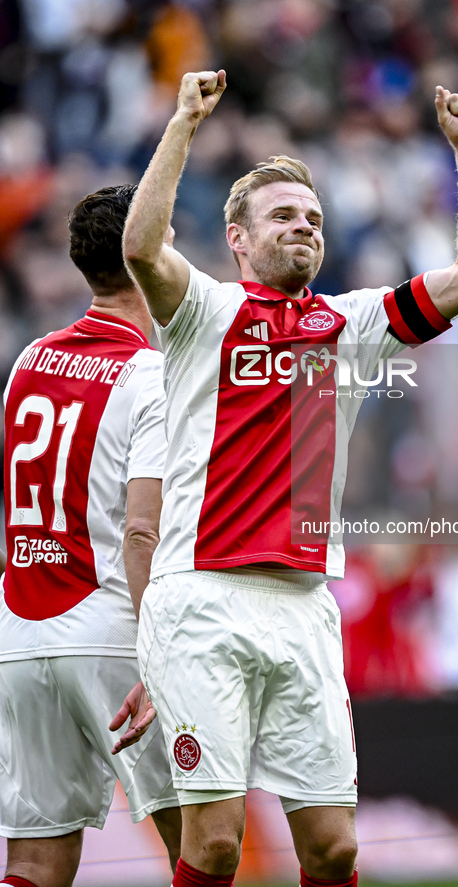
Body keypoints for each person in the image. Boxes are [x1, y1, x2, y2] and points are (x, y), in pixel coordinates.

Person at [123, 71, 458, 887]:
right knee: (217, 843)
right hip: (201, 599)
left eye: (313, 219)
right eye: (283, 216)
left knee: (333, 848)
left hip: (302, 606)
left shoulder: (353, 324)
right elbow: (140, 249)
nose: (304, 228)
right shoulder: (205, 312)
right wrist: (184, 124)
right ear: (237, 237)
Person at [0, 185, 181, 887]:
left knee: (34, 859)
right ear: (150, 254)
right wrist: (160, 650)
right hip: (112, 630)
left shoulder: (29, 360)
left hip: (20, 628)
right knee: (200, 836)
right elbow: (142, 528)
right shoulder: (150, 374)